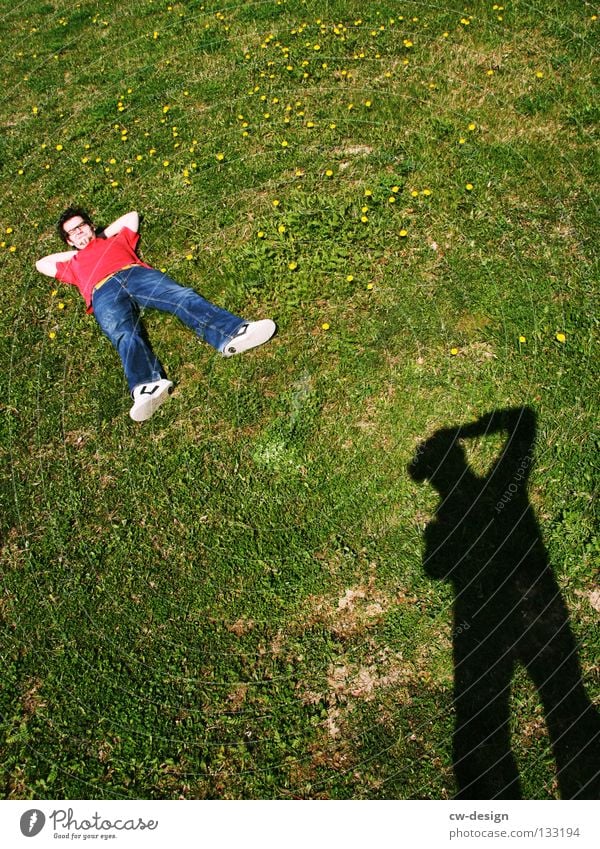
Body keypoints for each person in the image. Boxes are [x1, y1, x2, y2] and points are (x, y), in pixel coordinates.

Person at [36, 207, 276, 421]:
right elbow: (42, 264)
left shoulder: (115, 240)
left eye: (81, 226)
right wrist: (78, 251)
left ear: (91, 225)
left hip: (134, 274)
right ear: (68, 241)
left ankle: (233, 333)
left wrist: (99, 237)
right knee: (123, 333)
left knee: (180, 297)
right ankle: (147, 386)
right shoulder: (73, 264)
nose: (78, 232)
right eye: (72, 232)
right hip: (102, 291)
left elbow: (131, 216)